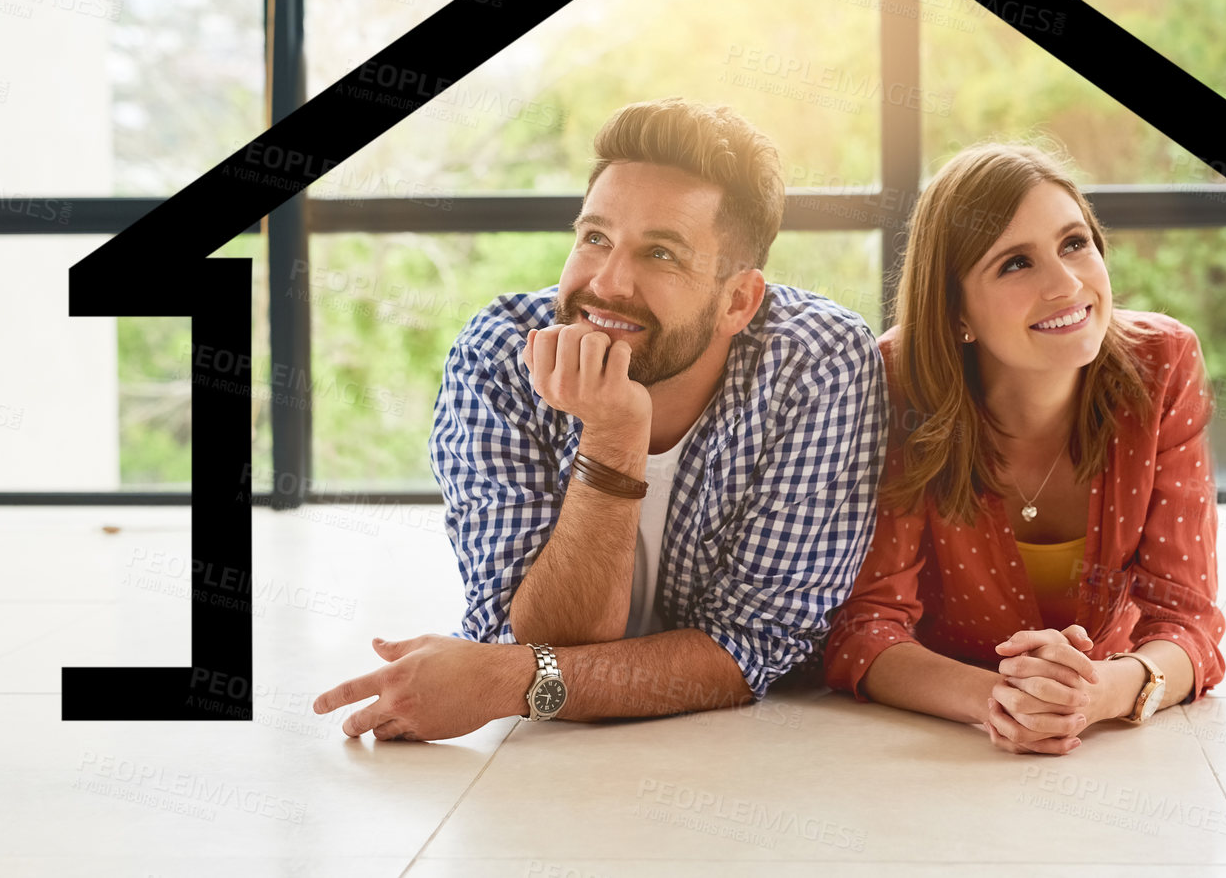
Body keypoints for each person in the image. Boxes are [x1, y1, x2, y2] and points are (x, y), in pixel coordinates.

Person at [315, 98, 886, 740]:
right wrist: (612, 437)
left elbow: (747, 650)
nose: (608, 283)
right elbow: (539, 636)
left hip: (744, 753)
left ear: (738, 301)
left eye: (662, 254)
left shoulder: (818, 362)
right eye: (595, 238)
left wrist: (504, 681)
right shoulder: (501, 357)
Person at [823, 141, 1225, 755]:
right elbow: (864, 629)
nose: (1066, 284)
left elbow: (1187, 621)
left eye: (1074, 243)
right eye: (1015, 263)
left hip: (1101, 710)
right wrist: (998, 701)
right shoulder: (897, 380)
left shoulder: (1163, 363)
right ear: (957, 312)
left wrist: (1097, 695)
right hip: (943, 745)